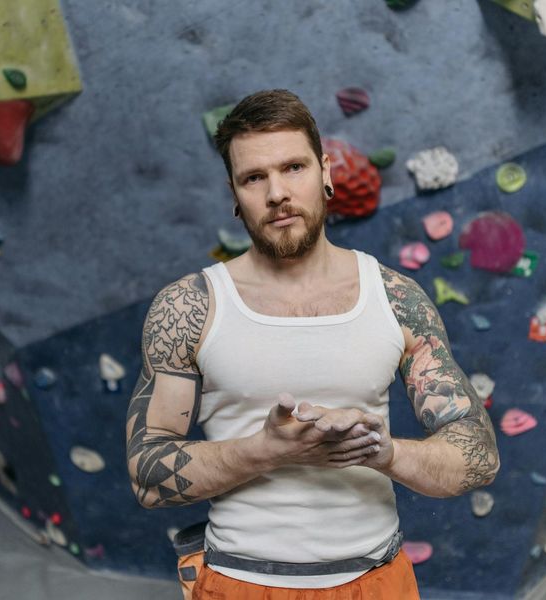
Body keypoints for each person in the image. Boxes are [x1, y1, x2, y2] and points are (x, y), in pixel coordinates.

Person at [125, 89, 500, 600]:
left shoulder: (394, 297)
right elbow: (147, 476)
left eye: (293, 167)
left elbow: (477, 454)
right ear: (234, 194)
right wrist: (264, 451)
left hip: (376, 582)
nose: (277, 192)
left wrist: (383, 451)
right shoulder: (189, 308)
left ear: (325, 172)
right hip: (240, 583)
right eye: (254, 178)